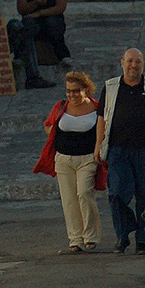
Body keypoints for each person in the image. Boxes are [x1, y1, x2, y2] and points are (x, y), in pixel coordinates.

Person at [95, 48, 145, 254]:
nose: (133, 65)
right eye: (130, 61)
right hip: (117, 149)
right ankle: (124, 234)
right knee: (116, 193)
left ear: (143, 63)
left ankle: (144, 240)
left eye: (137, 61)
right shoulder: (110, 87)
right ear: (122, 62)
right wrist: (98, 145)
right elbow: (102, 118)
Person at [33, 70, 104, 253]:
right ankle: (75, 239)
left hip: (87, 159)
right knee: (69, 200)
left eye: (76, 91)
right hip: (64, 159)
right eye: (69, 91)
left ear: (86, 90)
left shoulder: (97, 108)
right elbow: (49, 125)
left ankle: (90, 236)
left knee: (84, 193)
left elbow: (104, 129)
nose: (72, 95)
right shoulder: (60, 106)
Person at [8, 0, 70, 89]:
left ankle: (62, 54)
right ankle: (23, 59)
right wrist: (36, 3)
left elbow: (60, 7)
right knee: (24, 25)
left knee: (52, 21)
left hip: (51, 23)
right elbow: (22, 9)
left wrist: (40, 12)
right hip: (32, 25)